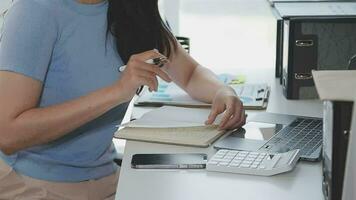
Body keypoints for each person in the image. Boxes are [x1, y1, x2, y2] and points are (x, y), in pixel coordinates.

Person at [0, 0, 245, 199]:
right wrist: (117, 91)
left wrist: (223, 92)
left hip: (105, 179)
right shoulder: (35, 10)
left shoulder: (132, 10)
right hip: (27, 182)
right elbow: (8, 135)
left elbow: (189, 73)